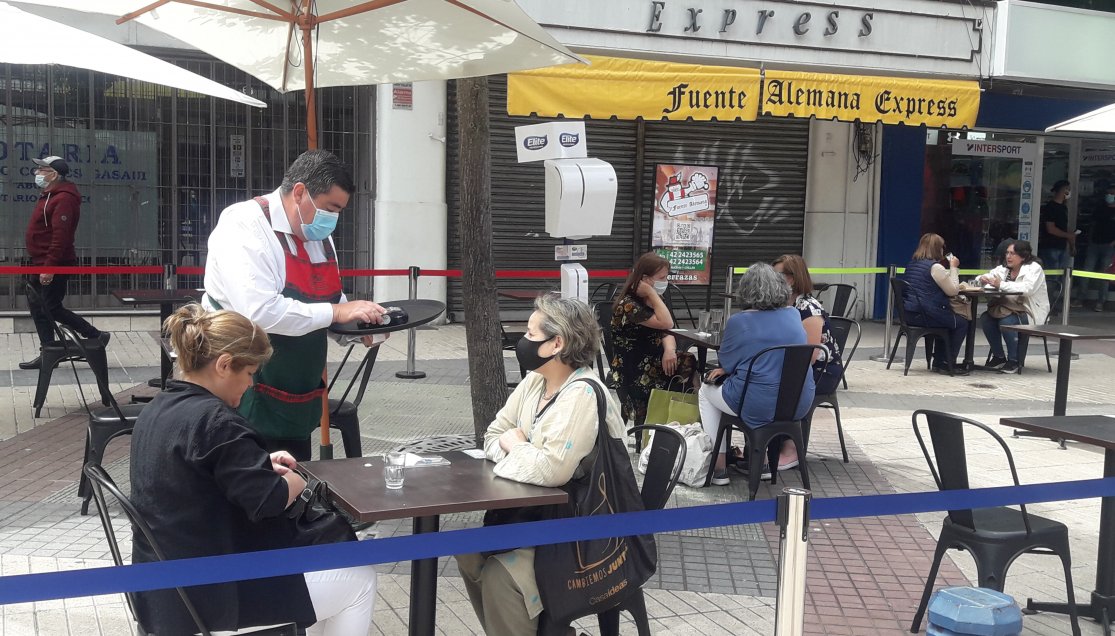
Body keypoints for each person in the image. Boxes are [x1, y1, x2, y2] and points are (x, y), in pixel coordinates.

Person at [129, 304, 376, 635]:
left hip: (160, 589)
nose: (250, 385)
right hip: (212, 594)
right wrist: (295, 476)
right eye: (249, 374)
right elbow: (270, 501)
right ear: (224, 365)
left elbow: (197, 475)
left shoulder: (158, 408)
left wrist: (258, 466)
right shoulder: (216, 422)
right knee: (359, 579)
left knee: (330, 575)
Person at [456, 295, 626, 636]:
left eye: (531, 334)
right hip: (538, 516)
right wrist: (516, 449)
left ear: (557, 343)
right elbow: (494, 433)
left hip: (580, 530)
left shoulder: (581, 394)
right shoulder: (536, 380)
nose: (523, 342)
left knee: (500, 576)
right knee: (468, 552)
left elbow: (551, 471)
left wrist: (516, 444)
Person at [204, 150, 385, 460]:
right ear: (300, 192)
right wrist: (336, 312)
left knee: (293, 481)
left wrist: (358, 327)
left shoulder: (319, 238)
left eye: (340, 211)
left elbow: (331, 302)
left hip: (296, 396)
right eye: (331, 208)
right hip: (243, 389)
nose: (334, 219)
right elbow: (259, 313)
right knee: (248, 484)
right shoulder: (244, 225)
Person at [698, 263, 816, 486]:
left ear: (745, 290)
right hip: (798, 403)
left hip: (757, 404)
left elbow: (727, 362)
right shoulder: (793, 315)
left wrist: (733, 366)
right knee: (753, 383)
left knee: (706, 391)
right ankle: (759, 463)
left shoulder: (739, 321)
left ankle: (719, 467)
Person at [20, 156, 110, 370]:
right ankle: (49, 351)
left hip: (53, 262)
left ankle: (95, 335)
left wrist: (50, 267)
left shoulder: (64, 198)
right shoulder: (49, 195)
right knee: (38, 307)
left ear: (54, 174)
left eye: (42, 169)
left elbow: (61, 237)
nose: (38, 173)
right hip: (41, 261)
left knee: (51, 306)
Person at [609, 251, 696, 426]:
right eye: (662, 278)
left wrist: (669, 350)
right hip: (632, 368)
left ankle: (678, 418)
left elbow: (666, 331)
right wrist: (652, 293)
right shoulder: (629, 304)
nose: (665, 282)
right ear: (646, 279)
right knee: (686, 365)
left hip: (654, 360)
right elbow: (667, 321)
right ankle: (664, 420)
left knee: (689, 361)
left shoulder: (651, 300)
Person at [977, 240, 1049, 374]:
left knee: (1007, 321)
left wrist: (1001, 285)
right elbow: (987, 275)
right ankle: (999, 357)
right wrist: (983, 278)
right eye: (1007, 253)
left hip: (1029, 310)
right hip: (1008, 308)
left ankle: (1014, 360)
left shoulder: (1034, 268)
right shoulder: (1004, 269)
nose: (1008, 256)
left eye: (1013, 253)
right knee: (986, 318)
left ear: (1023, 256)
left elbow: (1027, 289)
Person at [903, 233, 969, 375]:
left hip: (910, 313)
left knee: (946, 321)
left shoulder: (912, 264)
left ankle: (939, 362)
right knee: (961, 323)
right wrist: (953, 268)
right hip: (926, 314)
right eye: (942, 247)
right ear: (938, 248)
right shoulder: (935, 267)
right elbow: (953, 291)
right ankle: (946, 363)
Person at [1078, 183, 1115, 311]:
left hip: (1109, 246)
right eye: (1108, 193)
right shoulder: (1100, 208)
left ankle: (1101, 301)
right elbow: (1092, 225)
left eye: (1113, 194)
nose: (1110, 196)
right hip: (1094, 244)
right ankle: (1080, 298)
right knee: (1086, 272)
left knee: (1105, 274)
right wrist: (1090, 240)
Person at [1038, 180, 1076, 272]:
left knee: (1061, 275)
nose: (1069, 192)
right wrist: (1068, 236)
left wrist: (1072, 245)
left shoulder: (1063, 207)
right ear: (1062, 190)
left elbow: (1064, 227)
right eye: (1068, 189)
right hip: (1050, 246)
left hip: (1062, 246)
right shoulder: (1050, 207)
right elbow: (1050, 229)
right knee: (1052, 275)